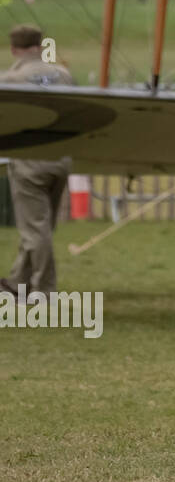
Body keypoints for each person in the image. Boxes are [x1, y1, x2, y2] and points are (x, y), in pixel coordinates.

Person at [0, 24, 75, 303]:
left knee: (34, 229)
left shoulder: (11, 79)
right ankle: (18, 282)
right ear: (41, 46)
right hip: (61, 158)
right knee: (41, 226)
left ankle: (44, 289)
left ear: (13, 49)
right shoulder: (63, 75)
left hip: (30, 160)